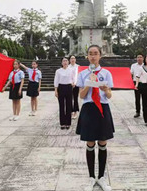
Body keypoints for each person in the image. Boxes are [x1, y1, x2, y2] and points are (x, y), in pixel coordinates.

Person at [76, 45, 113, 191]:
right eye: (90, 54)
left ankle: (102, 177)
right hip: (89, 108)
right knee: (90, 142)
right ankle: (91, 177)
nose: (93, 56)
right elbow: (81, 95)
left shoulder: (106, 73)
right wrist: (88, 84)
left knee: (102, 141)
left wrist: (105, 89)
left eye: (95, 53)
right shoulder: (83, 74)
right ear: (87, 56)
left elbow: (110, 95)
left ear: (100, 56)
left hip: (102, 108)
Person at [54, 57, 76, 129]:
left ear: (68, 62)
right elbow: (56, 81)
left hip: (69, 87)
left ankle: (68, 123)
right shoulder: (58, 71)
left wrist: (74, 83)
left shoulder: (71, 70)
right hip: (61, 87)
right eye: (63, 61)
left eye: (66, 61)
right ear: (61, 63)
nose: (65, 62)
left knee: (69, 105)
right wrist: (56, 90)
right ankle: (62, 123)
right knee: (62, 106)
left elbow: (74, 78)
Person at [68, 55, 80, 119]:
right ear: (69, 60)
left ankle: (75, 111)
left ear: (75, 60)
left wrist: (75, 83)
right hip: (69, 84)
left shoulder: (78, 67)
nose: (72, 60)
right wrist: (71, 83)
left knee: (75, 98)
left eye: (74, 58)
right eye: (71, 58)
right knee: (69, 98)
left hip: (76, 84)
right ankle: (71, 111)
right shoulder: (67, 67)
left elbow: (78, 76)